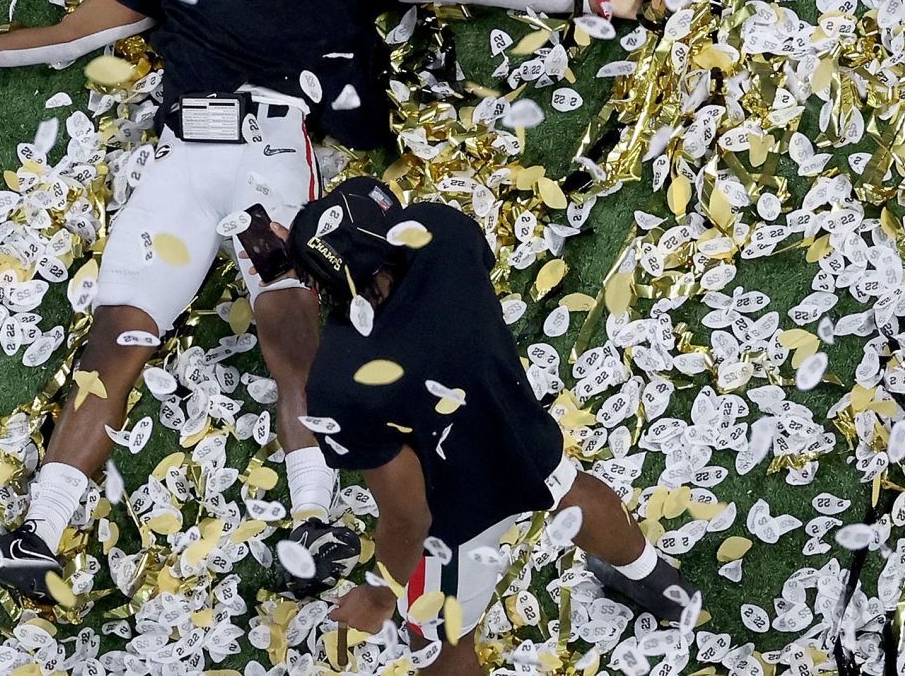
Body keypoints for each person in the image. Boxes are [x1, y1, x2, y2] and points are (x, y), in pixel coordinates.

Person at [0, 0, 663, 603]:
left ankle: (312, 518)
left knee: (289, 323)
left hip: (272, 151)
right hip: (181, 155)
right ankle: (39, 533)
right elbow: (78, 33)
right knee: (119, 330)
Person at [281, 177, 699, 675]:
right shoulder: (445, 232)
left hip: (455, 515)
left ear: (322, 286)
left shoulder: (340, 379)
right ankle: (660, 586)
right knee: (570, 490)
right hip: (517, 431)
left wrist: (378, 595)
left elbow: (408, 518)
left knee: (437, 642)